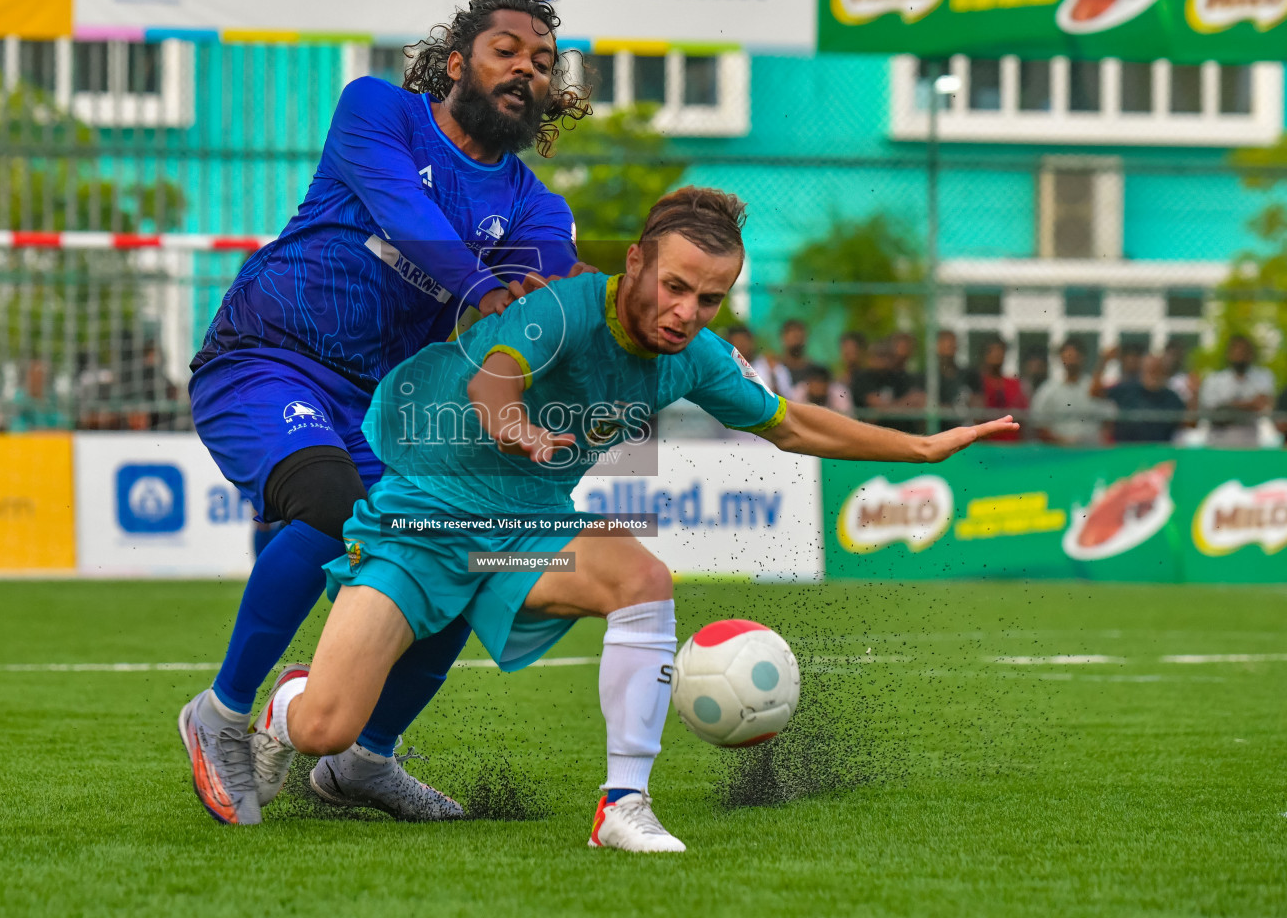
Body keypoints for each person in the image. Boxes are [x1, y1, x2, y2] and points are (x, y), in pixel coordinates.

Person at [247, 188, 1018, 851]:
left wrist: (920, 447)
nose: (686, 313)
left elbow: (790, 426)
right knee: (326, 729)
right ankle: (288, 706)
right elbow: (494, 385)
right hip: (425, 521)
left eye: (709, 299)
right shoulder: (561, 308)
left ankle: (624, 805)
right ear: (638, 264)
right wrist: (517, 430)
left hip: (525, 535)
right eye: (675, 287)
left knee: (642, 576)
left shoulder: (696, 357)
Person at [179, 0, 593, 826]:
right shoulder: (376, 112)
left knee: (459, 552)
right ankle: (220, 716)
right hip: (266, 361)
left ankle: (364, 762)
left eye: (543, 64)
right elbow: (406, 214)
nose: (527, 70)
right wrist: (480, 284)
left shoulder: (537, 209)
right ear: (455, 63)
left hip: (379, 410)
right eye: (507, 50)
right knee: (329, 504)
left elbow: (542, 311)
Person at [1028, 339, 1113, 446]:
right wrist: (1061, 441)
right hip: (1059, 454)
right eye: (1068, 356)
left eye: (1075, 357)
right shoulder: (1048, 390)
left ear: (1083, 358)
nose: (1072, 361)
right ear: (1061, 358)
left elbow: (1108, 420)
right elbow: (1039, 424)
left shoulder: (1093, 388)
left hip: (1090, 452)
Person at [1197, 334, 1275, 447]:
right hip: (1218, 441)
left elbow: (1263, 406)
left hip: (1249, 441)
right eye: (1237, 352)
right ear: (1229, 354)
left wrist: (1228, 405)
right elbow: (1211, 410)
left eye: (1244, 352)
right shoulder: (1214, 380)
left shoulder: (1263, 377)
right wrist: (1249, 404)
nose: (1240, 356)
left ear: (1251, 354)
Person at [1104, 353, 1187, 443]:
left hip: (1159, 452)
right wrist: (1105, 360)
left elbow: (1188, 423)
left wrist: (1195, 394)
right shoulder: (1125, 390)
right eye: (1150, 369)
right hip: (1126, 450)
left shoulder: (1172, 398)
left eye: (1157, 369)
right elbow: (1096, 392)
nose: (1153, 373)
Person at [852, 332, 925, 433]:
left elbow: (918, 402)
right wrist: (905, 403)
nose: (883, 360)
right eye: (879, 355)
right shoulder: (863, 377)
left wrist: (890, 408)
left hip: (897, 433)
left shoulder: (895, 377)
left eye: (887, 355)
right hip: (870, 434)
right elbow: (877, 406)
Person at [967, 336, 1026, 441]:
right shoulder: (977, 383)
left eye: (1000, 351)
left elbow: (1022, 415)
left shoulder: (1014, 383)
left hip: (1011, 442)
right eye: (992, 351)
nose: (997, 355)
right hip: (985, 443)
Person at [9, 359, 67, 431]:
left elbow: (63, 424)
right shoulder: (20, 401)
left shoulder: (51, 401)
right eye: (34, 376)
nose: (37, 380)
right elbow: (16, 427)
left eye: (41, 376)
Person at [722, 324, 774, 392]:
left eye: (743, 341)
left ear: (751, 342)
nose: (741, 345)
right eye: (737, 341)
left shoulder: (766, 366)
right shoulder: (725, 371)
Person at [788, 363, 852, 415]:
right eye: (815, 381)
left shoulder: (839, 393)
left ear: (828, 384)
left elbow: (845, 418)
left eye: (822, 382)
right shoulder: (799, 391)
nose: (818, 387)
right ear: (808, 383)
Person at [771, 319, 812, 397]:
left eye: (799, 334)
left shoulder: (816, 372)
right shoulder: (774, 369)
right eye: (792, 333)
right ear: (783, 338)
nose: (796, 337)